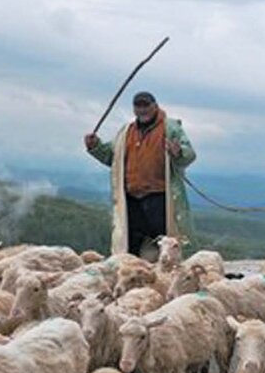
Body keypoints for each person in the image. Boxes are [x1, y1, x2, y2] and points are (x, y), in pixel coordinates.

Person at [84, 91, 196, 259]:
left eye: (146, 105)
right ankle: (132, 276)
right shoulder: (126, 131)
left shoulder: (170, 128)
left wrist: (178, 151)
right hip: (131, 198)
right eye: (138, 106)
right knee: (131, 244)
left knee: (166, 243)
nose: (142, 109)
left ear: (155, 106)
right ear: (134, 109)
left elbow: (189, 154)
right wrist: (95, 146)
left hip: (160, 197)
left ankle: (168, 278)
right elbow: (112, 157)